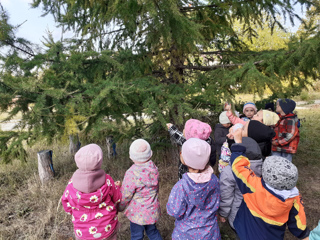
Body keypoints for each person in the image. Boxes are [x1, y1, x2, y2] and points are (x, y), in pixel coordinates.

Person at [228, 128, 310, 240]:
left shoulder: (253, 186)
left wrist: (238, 143)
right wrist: (304, 235)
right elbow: (298, 222)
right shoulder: (294, 198)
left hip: (245, 233)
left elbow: (239, 167)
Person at [61, 144, 122, 240]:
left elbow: (65, 202)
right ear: (99, 161)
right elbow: (117, 198)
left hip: (83, 232)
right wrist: (117, 188)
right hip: (107, 229)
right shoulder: (108, 181)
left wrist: (73, 212)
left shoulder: (71, 184)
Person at [166, 138, 221, 240]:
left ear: (183, 159)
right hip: (210, 233)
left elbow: (174, 211)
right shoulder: (214, 180)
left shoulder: (181, 186)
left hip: (186, 234)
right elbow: (217, 202)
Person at [118, 139, 162, 240]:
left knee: (136, 236)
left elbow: (126, 194)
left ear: (131, 156)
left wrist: (120, 207)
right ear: (150, 154)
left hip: (137, 213)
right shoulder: (154, 169)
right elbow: (156, 188)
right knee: (153, 232)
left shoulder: (132, 173)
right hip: (152, 210)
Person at [219, 136, 263, 234]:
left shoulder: (229, 172)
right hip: (259, 215)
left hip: (238, 215)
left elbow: (226, 196)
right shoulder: (263, 167)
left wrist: (223, 213)